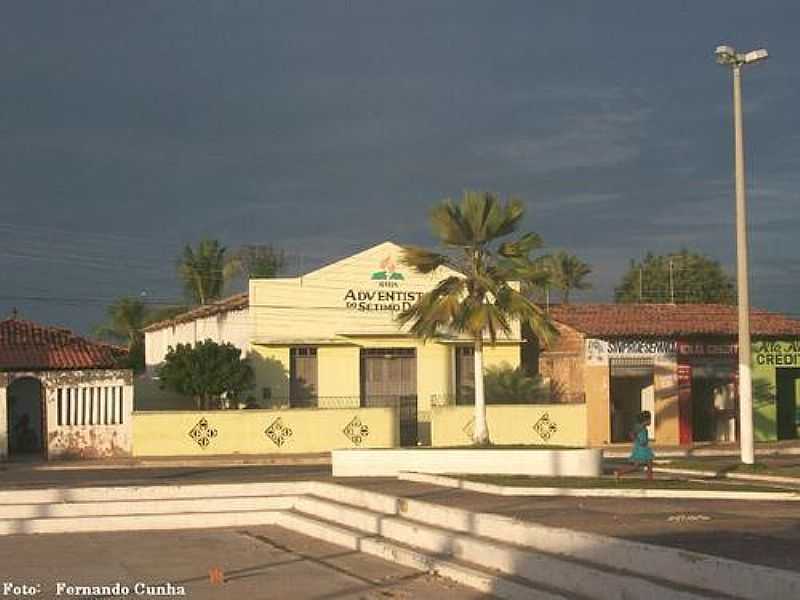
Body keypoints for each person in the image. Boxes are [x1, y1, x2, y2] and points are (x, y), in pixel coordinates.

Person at [614, 410, 654, 481]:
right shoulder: (640, 427)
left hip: (644, 448)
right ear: (645, 420)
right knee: (637, 466)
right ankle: (619, 472)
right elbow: (631, 434)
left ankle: (649, 479)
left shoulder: (643, 427)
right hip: (641, 449)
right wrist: (638, 441)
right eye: (649, 420)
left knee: (648, 464)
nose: (650, 422)